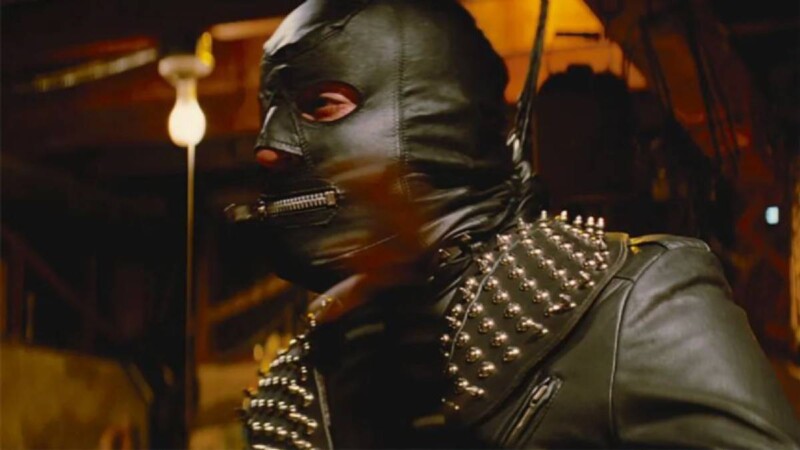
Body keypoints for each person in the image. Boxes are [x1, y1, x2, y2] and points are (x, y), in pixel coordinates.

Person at [237, 0, 800, 448]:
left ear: (440, 117)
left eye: (321, 104)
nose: (267, 147)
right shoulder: (293, 397)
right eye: (269, 110)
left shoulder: (628, 309)